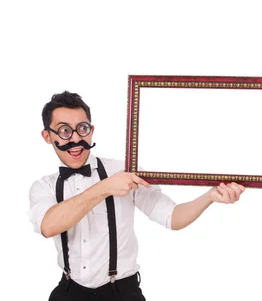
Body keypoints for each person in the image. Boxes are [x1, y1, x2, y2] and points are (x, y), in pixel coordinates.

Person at [28, 91, 246, 301]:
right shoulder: (43, 187)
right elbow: (49, 226)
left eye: (82, 128)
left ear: (91, 130)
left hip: (122, 292)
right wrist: (105, 188)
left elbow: (173, 217)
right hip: (69, 292)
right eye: (64, 131)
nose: (76, 138)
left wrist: (210, 196)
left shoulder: (124, 171)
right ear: (47, 136)